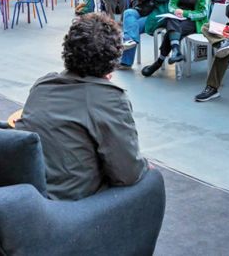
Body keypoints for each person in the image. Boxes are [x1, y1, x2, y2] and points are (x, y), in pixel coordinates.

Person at [19, 14, 147, 201]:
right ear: (114, 57)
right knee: (151, 179)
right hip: (73, 207)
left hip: (32, 197)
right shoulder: (110, 97)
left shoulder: (43, 85)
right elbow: (128, 173)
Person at [141, 0, 211, 76]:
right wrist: (175, 11)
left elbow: (203, 13)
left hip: (194, 21)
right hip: (177, 18)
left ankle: (159, 61)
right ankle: (175, 51)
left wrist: (185, 13)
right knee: (172, 21)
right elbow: (172, 2)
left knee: (171, 30)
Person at [119, 0, 181, 67]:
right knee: (128, 13)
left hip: (160, 13)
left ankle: (126, 61)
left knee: (133, 27)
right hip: (146, 9)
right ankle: (130, 41)